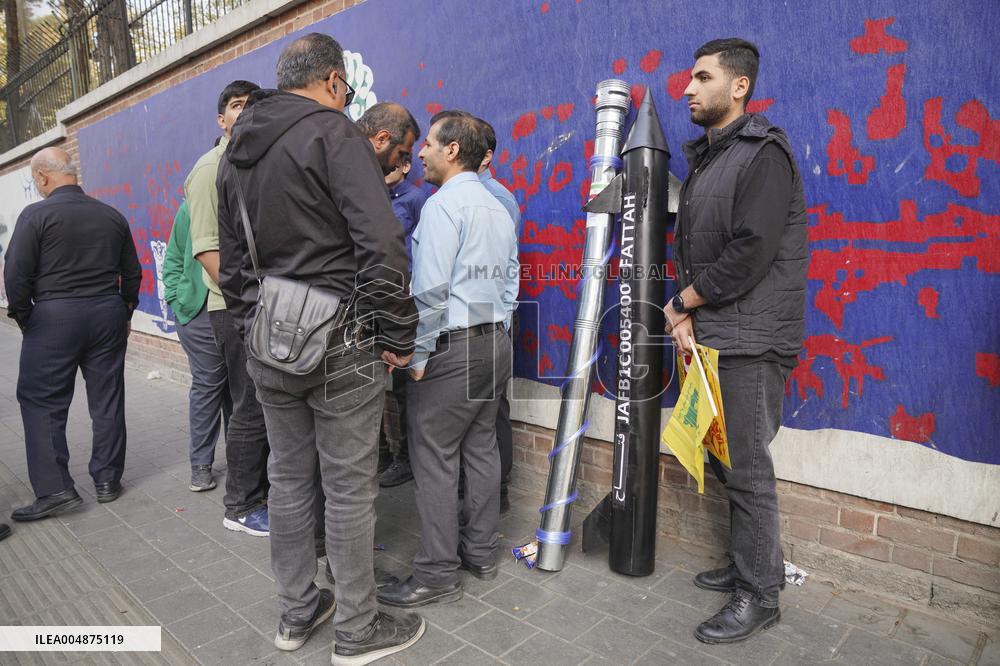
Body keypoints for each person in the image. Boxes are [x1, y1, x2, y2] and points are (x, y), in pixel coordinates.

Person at [215, 33, 424, 662]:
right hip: (344, 339)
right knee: (349, 487)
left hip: (267, 342)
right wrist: (396, 334)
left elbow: (232, 269)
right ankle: (358, 630)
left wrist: (260, 326)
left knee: (288, 480)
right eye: (348, 90)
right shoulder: (335, 135)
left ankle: (297, 612)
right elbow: (382, 244)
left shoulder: (233, 154)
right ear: (334, 81)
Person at [664, 38, 808, 644]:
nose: (688, 89)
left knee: (747, 469)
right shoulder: (713, 158)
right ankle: (752, 565)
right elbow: (697, 247)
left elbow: (750, 250)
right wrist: (690, 319)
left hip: (752, 339)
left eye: (702, 78)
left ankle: (761, 595)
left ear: (739, 86)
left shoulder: (762, 154)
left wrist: (682, 303)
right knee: (725, 459)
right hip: (719, 334)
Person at [377, 110, 518, 608]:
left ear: (453, 149)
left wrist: (417, 353)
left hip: (454, 347)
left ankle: (437, 573)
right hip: (494, 341)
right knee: (480, 446)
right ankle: (480, 553)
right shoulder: (500, 205)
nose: (420, 153)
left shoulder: (442, 207)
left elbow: (431, 291)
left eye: (430, 145)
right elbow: (509, 279)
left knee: (434, 457)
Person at [4, 147, 141, 520]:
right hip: (107, 312)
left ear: (44, 178)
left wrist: (25, 318)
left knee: (42, 401)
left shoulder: (35, 216)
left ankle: (56, 490)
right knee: (107, 397)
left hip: (53, 315)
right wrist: (125, 309)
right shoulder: (111, 215)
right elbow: (132, 272)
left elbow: (15, 274)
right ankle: (108, 480)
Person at [187, 79, 271, 537]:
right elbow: (208, 250)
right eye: (236, 106)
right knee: (250, 405)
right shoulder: (209, 169)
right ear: (221, 119)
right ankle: (240, 505)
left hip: (263, 304)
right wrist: (248, 307)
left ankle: (264, 493)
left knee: (265, 403)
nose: (244, 113)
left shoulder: (256, 162)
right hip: (233, 307)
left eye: (252, 105)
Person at [356, 104, 425, 489]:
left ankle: (403, 457)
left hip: (401, 298)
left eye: (408, 158)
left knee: (402, 389)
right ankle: (380, 452)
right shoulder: (371, 191)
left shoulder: (415, 200)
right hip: (372, 304)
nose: (406, 163)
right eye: (402, 155)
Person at [162, 198, 232, 492]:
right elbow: (174, 257)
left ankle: (241, 462)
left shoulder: (242, 197)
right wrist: (177, 300)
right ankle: (201, 465)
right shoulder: (191, 208)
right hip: (197, 311)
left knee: (238, 388)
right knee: (208, 385)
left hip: (232, 309)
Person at [476, 118, 521, 512]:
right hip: (476, 322)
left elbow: (497, 270)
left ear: (486, 155)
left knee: (493, 411)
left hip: (489, 321)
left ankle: (499, 491)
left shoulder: (497, 198)